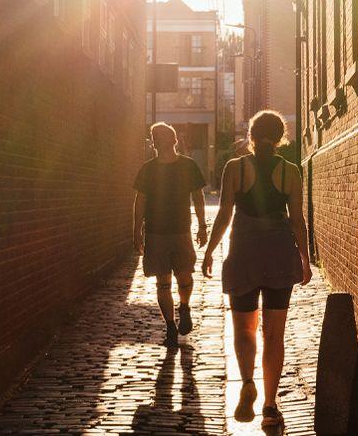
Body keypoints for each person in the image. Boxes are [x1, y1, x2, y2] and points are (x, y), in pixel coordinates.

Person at [202, 110, 312, 429]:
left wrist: (210, 250)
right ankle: (269, 405)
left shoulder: (235, 168)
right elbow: (298, 221)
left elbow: (223, 215)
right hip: (279, 251)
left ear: (250, 135)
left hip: (244, 250)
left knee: (244, 329)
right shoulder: (290, 171)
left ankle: (248, 382)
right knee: (274, 333)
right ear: (281, 138)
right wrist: (303, 258)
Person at [133, 122, 208, 347]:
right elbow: (140, 200)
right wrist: (136, 229)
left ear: (173, 139)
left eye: (161, 136)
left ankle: (184, 307)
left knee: (184, 276)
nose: (157, 141)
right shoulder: (148, 169)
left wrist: (203, 225)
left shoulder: (188, 166)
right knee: (162, 282)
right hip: (156, 232)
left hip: (181, 230)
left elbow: (198, 197)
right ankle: (170, 327)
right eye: (155, 137)